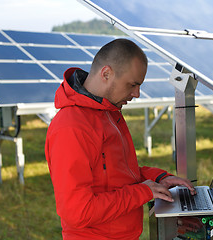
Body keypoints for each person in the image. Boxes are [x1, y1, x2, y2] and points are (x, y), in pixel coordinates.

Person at [45, 38, 196, 240]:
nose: (137, 94)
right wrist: (143, 192)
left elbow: (120, 174)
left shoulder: (107, 111)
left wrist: (160, 178)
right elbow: (78, 212)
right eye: (132, 85)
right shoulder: (71, 127)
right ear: (106, 73)